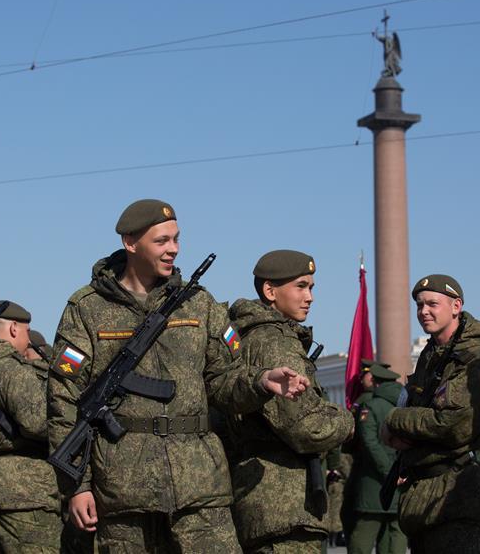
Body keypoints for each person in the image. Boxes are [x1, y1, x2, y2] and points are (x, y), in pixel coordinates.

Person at [47, 199, 310, 552]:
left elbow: (222, 381)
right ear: (130, 243)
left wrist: (260, 382)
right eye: (161, 241)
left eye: (176, 239)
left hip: (201, 487)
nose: (173, 249)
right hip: (123, 491)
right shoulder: (87, 308)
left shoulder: (198, 303)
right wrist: (77, 487)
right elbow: (64, 399)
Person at [226, 249, 354, 552]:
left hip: (264, 502)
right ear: (270, 290)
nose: (309, 297)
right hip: (285, 507)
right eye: (300, 286)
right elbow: (306, 427)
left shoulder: (249, 335)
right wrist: (346, 421)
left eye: (311, 287)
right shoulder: (274, 341)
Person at [381, 274, 480, 554]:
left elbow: (453, 425)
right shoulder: (432, 355)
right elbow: (417, 407)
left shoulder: (474, 359)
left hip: (453, 494)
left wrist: (395, 420)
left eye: (432, 304)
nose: (424, 311)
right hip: (426, 494)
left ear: (456, 306)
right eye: (420, 305)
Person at [0, 300, 63, 553]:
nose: (27, 338)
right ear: (13, 328)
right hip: (24, 491)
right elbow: (39, 422)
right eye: (25, 330)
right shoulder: (7, 365)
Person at [346, 363, 406, 554]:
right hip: (401, 478)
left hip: (373, 480)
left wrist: (387, 470)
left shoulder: (370, 405)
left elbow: (369, 441)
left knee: (364, 533)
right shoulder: (406, 404)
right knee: (395, 533)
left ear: (377, 382)